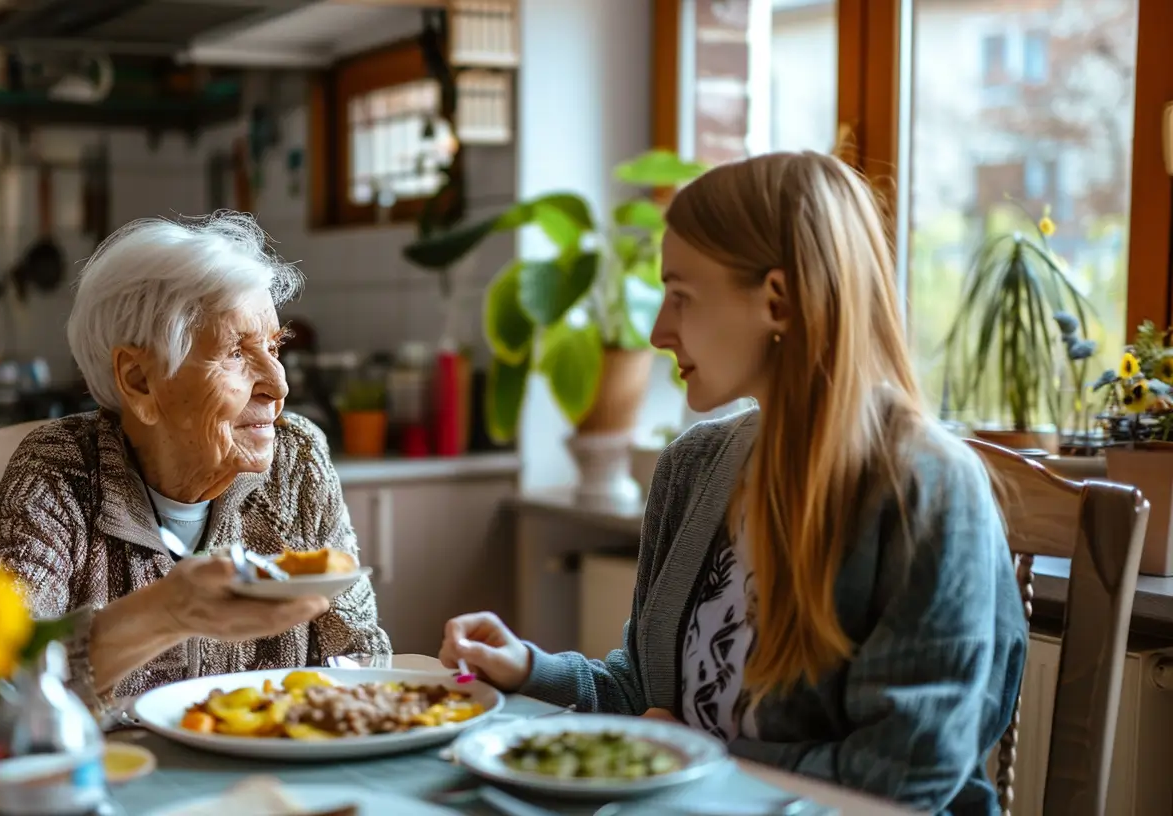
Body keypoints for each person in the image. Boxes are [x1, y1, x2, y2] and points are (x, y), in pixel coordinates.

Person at [439, 152, 1026, 813]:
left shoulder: (930, 490)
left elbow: (903, 776)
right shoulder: (693, 467)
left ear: (776, 299)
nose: (659, 331)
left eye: (682, 295)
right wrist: (527, 667)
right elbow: (646, 695)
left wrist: (699, 753)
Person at [0, 212, 390, 716]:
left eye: (273, 347)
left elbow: (362, 658)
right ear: (138, 381)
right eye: (237, 353)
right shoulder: (60, 470)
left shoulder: (296, 461)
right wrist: (166, 612)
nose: (279, 385)